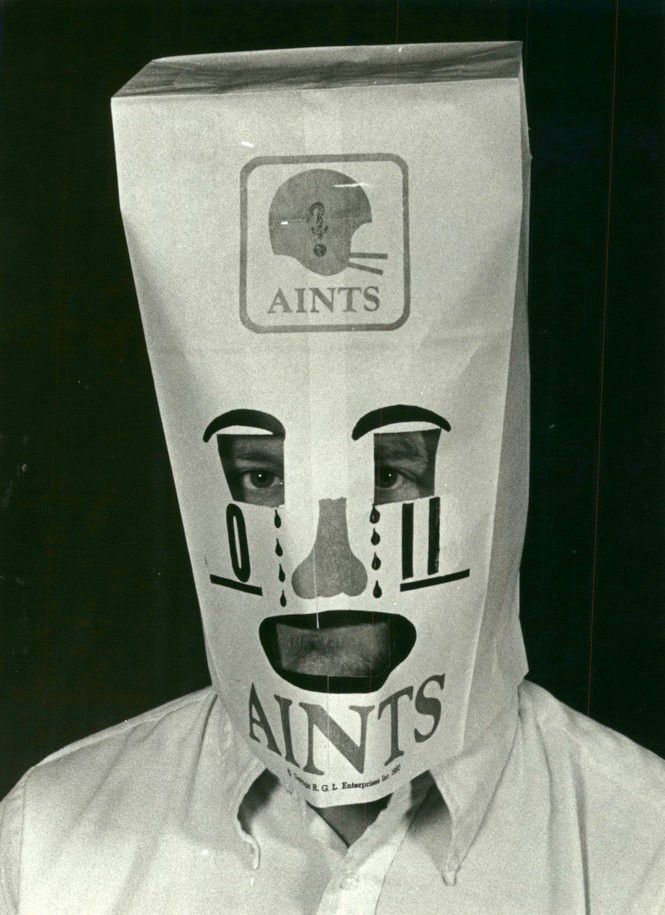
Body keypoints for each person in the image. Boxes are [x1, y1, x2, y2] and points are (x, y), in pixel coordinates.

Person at [2, 42, 664, 914]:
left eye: (393, 473)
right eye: (260, 475)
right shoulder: (45, 844)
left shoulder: (640, 853)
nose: (329, 571)